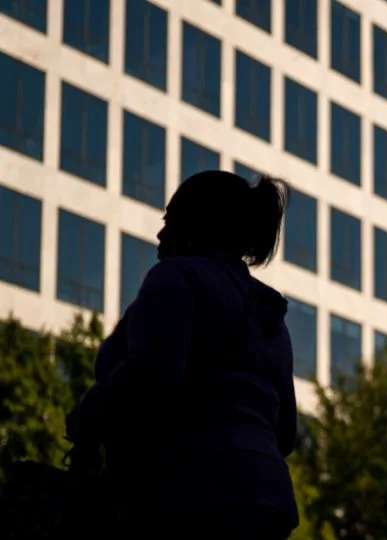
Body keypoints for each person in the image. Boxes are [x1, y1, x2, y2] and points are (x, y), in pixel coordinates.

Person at [66, 170, 299, 539]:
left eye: (168, 220)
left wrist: (90, 411)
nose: (160, 234)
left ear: (196, 225)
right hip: (268, 500)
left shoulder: (175, 278)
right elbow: (285, 434)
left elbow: (152, 374)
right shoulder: (272, 317)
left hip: (192, 491)